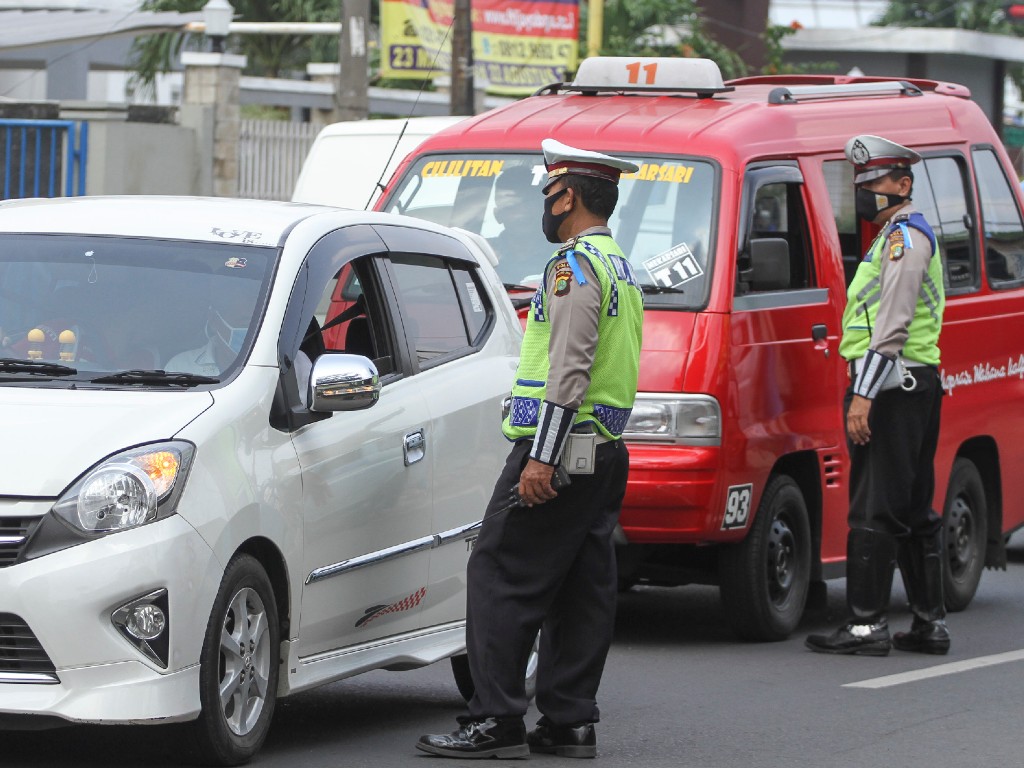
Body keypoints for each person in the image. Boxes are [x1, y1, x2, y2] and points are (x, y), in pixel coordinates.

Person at [417, 139, 644, 759]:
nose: (544, 207)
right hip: (602, 451)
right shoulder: (619, 263)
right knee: (580, 587)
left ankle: (495, 719)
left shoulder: (572, 266)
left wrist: (541, 456)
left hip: (560, 451)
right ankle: (569, 723)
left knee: (497, 574)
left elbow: (568, 367)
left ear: (565, 195)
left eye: (547, 194)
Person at [805, 135, 948, 657]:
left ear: (902, 185)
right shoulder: (897, 235)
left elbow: (891, 325)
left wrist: (863, 395)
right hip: (913, 383)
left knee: (874, 506)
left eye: (875, 182)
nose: (864, 191)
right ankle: (929, 624)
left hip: (891, 383)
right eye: (860, 183)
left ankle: (866, 626)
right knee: (911, 504)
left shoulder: (902, 240)